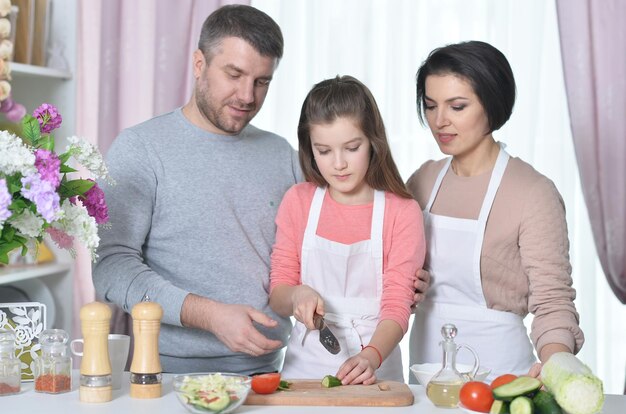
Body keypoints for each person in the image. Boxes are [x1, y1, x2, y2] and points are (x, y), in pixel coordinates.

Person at [93, 5, 430, 375]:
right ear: (199, 63)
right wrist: (208, 315)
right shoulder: (141, 148)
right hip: (169, 372)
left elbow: (334, 229)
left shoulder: (280, 154)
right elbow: (111, 268)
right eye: (234, 74)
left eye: (262, 81)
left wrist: (406, 278)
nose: (247, 96)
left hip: (271, 374)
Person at [407, 41, 584, 381]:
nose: (439, 121)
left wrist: (556, 364)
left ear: (492, 103)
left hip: (503, 375)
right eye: (430, 106)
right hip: (427, 375)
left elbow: (553, 303)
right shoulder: (422, 182)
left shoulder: (532, 192)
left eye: (457, 106)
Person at [269, 76, 426, 385]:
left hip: (375, 371)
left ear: (372, 142)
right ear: (309, 148)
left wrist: (372, 355)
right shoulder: (298, 202)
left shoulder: (402, 211)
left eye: (352, 148)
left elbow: (397, 304)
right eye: (324, 151)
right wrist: (297, 294)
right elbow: (278, 293)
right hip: (304, 371)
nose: (338, 164)